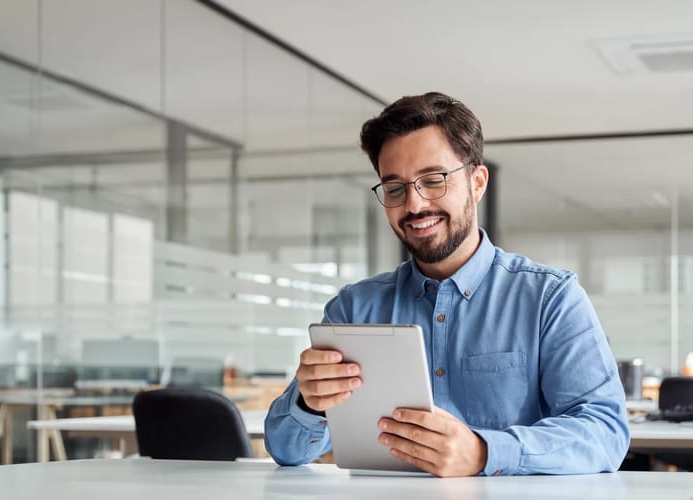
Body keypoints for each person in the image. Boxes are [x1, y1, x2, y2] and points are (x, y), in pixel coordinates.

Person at [264, 91, 629, 476]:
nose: (415, 205)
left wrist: (486, 453)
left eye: (433, 180)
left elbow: (605, 433)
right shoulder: (354, 309)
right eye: (395, 188)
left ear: (477, 182)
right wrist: (309, 403)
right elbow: (286, 450)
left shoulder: (550, 298)